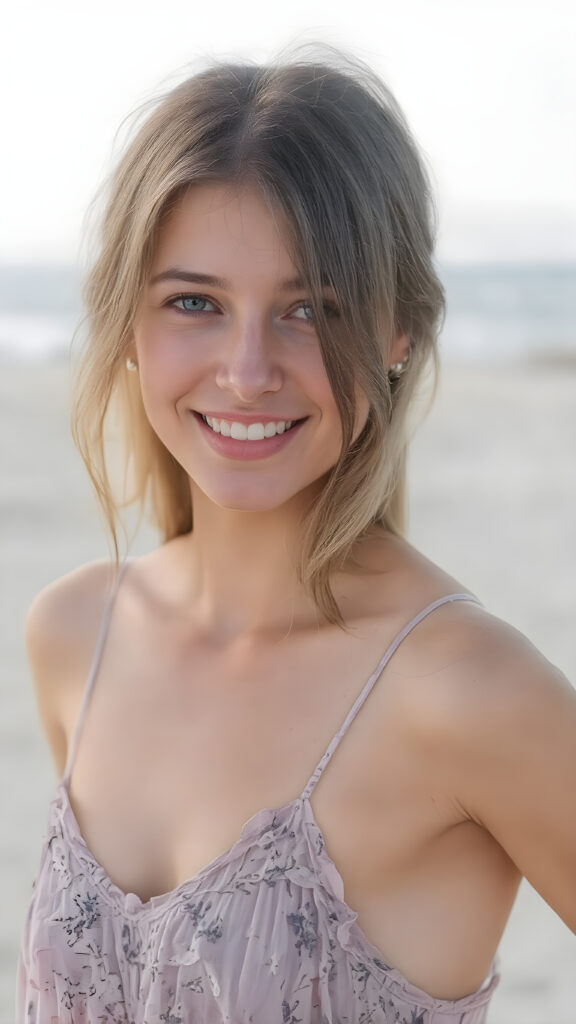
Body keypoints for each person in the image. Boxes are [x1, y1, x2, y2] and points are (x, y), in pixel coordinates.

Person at [17, 47, 576, 1024]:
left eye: (311, 308)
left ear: (398, 330)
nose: (245, 369)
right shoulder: (74, 635)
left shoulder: (466, 691)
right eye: (195, 302)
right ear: (130, 324)